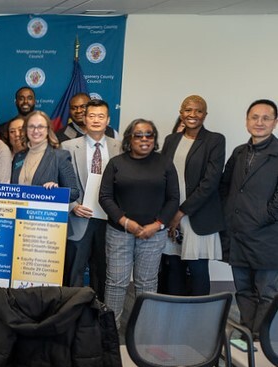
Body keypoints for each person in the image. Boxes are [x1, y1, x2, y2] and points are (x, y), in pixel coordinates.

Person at [99, 118, 179, 325]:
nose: (144, 139)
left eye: (149, 135)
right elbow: (105, 197)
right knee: (116, 282)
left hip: (153, 234)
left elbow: (173, 199)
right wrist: (125, 222)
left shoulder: (165, 163)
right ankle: (110, 329)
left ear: (154, 138)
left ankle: (144, 329)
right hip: (119, 232)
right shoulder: (116, 163)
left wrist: (158, 225)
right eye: (139, 135)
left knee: (147, 283)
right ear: (129, 139)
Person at [220, 99, 278, 337]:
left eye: (266, 118)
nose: (259, 122)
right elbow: (225, 187)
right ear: (246, 121)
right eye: (254, 117)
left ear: (275, 122)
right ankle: (247, 336)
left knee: (267, 293)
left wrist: (262, 216)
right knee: (243, 291)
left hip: (267, 237)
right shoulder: (239, 153)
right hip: (238, 235)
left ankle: (262, 341)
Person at [161, 95, 225, 296]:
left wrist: (181, 212)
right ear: (181, 113)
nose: (193, 114)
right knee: (173, 267)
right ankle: (175, 311)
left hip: (197, 215)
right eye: (188, 110)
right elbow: (162, 175)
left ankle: (201, 314)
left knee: (197, 270)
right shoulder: (171, 140)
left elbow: (210, 182)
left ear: (205, 115)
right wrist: (167, 212)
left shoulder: (215, 140)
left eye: (198, 110)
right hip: (171, 213)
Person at [62, 99, 122, 299]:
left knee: (103, 272)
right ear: (84, 119)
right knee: (74, 273)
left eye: (101, 116)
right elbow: (60, 181)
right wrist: (72, 206)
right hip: (79, 218)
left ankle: (100, 313)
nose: (96, 120)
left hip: (109, 220)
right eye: (92, 116)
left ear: (108, 120)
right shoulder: (68, 146)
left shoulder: (120, 147)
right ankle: (72, 313)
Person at [11, 111, 79, 203]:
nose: (35, 131)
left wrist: (57, 190)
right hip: (19, 211)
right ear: (26, 130)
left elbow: (74, 193)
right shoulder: (19, 157)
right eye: (31, 126)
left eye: (40, 127)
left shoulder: (60, 157)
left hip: (45, 211)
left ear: (48, 130)